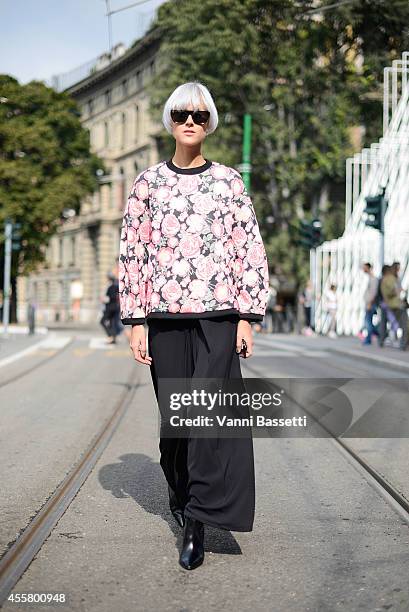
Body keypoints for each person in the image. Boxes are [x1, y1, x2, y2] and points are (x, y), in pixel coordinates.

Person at [118, 82, 269, 570]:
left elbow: (248, 247)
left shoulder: (228, 182)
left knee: (206, 419)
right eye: (182, 113)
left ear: (210, 123)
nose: (190, 121)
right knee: (176, 423)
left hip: (218, 315)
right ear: (170, 120)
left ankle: (197, 522)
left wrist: (247, 315)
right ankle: (180, 491)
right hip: (164, 318)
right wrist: (135, 320)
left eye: (200, 115)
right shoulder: (146, 185)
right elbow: (133, 253)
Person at [380, 264, 408, 350]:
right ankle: (403, 345)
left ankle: (381, 341)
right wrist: (398, 291)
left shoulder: (384, 279)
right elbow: (393, 291)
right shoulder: (391, 279)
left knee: (385, 323)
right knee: (405, 325)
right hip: (396, 305)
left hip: (389, 305)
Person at [361, 263, 379, 345]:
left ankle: (370, 338)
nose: (363, 269)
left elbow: (373, 292)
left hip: (370, 303)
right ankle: (379, 334)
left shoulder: (373, 279)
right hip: (368, 303)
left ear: (369, 268)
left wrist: (370, 303)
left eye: (364, 268)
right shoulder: (368, 278)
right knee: (368, 322)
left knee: (367, 322)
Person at [100, 273, 120, 344]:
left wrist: (104, 299)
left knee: (102, 321)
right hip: (115, 307)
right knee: (112, 322)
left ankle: (110, 335)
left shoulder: (111, 287)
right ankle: (113, 338)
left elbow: (112, 297)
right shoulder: (116, 286)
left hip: (110, 308)